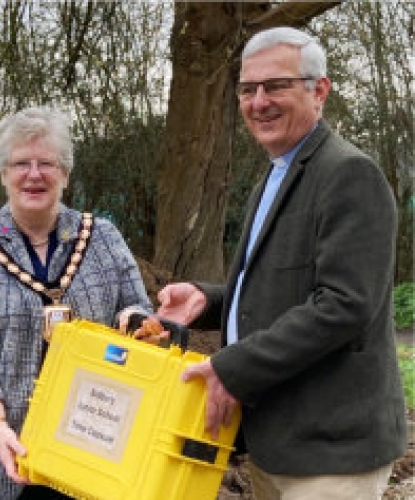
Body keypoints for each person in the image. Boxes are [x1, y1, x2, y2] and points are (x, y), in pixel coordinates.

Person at [157, 27, 407, 500]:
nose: (259, 102)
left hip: (331, 454)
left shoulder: (349, 174)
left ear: (320, 90)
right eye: (248, 90)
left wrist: (232, 366)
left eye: (276, 86)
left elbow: (343, 306)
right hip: (277, 445)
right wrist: (208, 301)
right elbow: (278, 291)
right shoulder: (275, 175)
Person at [0, 106, 153, 500]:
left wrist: (136, 321)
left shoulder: (102, 237)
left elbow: (137, 310)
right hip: (0, 457)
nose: (34, 174)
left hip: (89, 450)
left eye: (47, 163)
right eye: (21, 163)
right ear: (4, 174)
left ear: (65, 174)